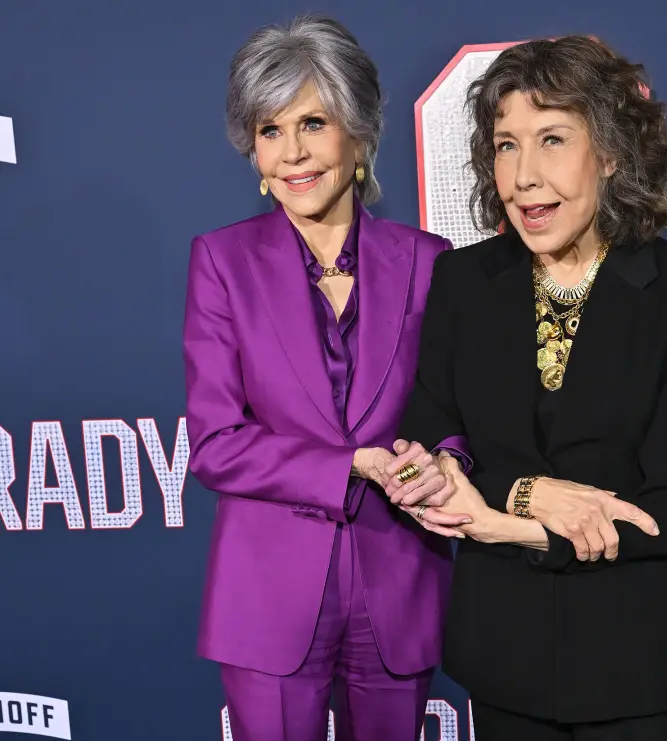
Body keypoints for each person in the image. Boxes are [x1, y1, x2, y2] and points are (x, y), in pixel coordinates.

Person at [394, 35, 667, 740]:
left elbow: (663, 511)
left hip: (641, 660)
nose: (523, 176)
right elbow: (427, 446)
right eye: (505, 144)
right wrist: (528, 491)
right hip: (504, 658)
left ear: (610, 152)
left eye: (552, 139)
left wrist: (504, 522)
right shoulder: (463, 282)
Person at [183, 15, 471, 741]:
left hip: (399, 578)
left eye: (313, 121)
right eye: (270, 129)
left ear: (359, 131)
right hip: (268, 594)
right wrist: (349, 464)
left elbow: (455, 409)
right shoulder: (222, 262)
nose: (292, 152)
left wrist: (446, 462)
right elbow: (216, 442)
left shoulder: (430, 261)